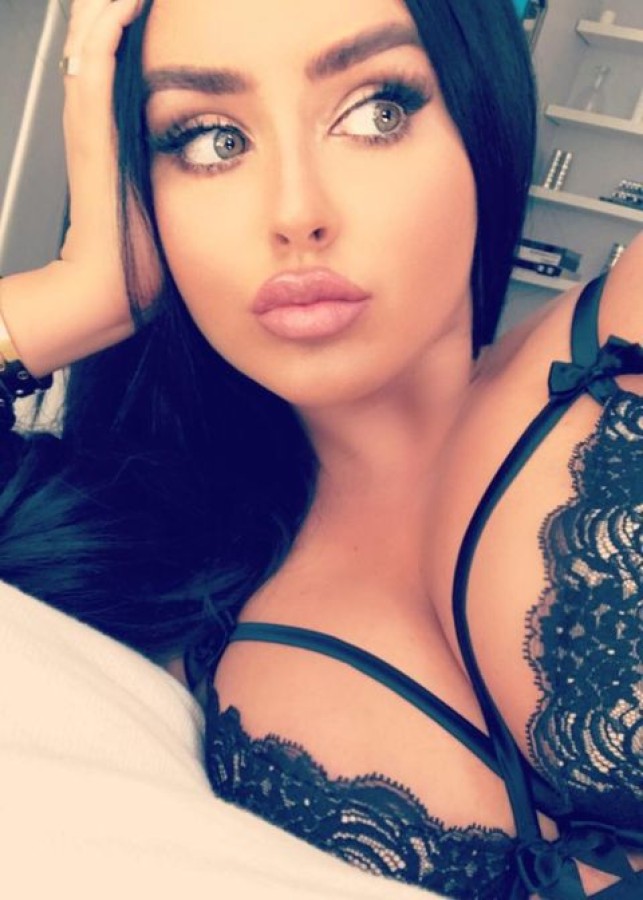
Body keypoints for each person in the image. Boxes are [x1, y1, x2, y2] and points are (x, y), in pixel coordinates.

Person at [0, 0, 641, 897]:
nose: (295, 211)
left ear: (482, 116)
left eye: (377, 111)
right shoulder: (149, 570)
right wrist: (75, 296)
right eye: (211, 139)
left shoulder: (618, 347)